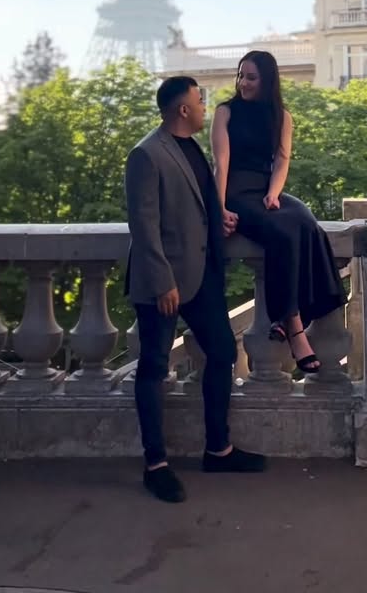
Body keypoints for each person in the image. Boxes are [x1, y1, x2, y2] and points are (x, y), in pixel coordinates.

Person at [125, 75, 266, 503]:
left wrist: (217, 219)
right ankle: (156, 465)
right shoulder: (146, 154)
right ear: (182, 109)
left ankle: (218, 450)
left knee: (222, 352)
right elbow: (143, 226)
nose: (206, 106)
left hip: (202, 275)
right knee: (152, 369)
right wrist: (162, 280)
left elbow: (193, 203)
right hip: (165, 282)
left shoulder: (190, 147)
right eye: (199, 101)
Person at [210, 51, 346, 374]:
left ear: (267, 80)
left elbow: (282, 160)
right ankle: (293, 326)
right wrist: (219, 209)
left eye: (251, 77)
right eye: (240, 75)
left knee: (307, 224)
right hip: (236, 192)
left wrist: (273, 193)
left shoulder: (282, 116)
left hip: (266, 189)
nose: (243, 82)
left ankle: (288, 318)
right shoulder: (224, 113)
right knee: (282, 235)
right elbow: (221, 164)